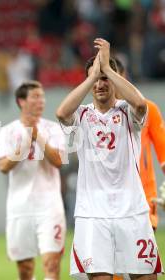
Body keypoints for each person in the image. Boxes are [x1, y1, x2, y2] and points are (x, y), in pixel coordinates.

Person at [56, 38, 163, 279]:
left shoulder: (127, 111)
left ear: (115, 80)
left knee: (146, 276)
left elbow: (139, 102)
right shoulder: (82, 115)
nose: (100, 84)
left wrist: (107, 70)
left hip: (132, 209)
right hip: (93, 214)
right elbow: (62, 113)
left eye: (105, 79)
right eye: (97, 78)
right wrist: (93, 76)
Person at [0, 80, 66, 280]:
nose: (41, 101)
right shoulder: (7, 132)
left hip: (49, 207)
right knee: (25, 270)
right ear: (21, 101)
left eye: (42, 96)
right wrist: (22, 148)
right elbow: (3, 166)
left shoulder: (53, 129)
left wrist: (38, 138)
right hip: (20, 208)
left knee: (51, 264)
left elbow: (59, 161)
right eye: (35, 97)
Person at [114, 58, 165, 230]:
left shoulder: (148, 109)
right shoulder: (93, 115)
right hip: (110, 201)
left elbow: (164, 156)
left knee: (140, 257)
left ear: (123, 77)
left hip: (144, 196)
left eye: (113, 77)